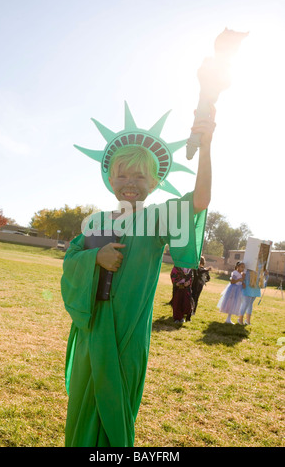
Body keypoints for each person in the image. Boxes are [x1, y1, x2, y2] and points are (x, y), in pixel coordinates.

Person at [61, 103, 216, 447]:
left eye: (140, 176)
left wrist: (206, 146)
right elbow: (70, 261)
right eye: (123, 175)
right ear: (110, 178)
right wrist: (94, 257)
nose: (130, 183)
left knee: (118, 412)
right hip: (92, 331)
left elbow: (200, 200)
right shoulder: (96, 221)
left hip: (129, 335)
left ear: (156, 180)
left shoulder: (159, 218)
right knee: (83, 411)